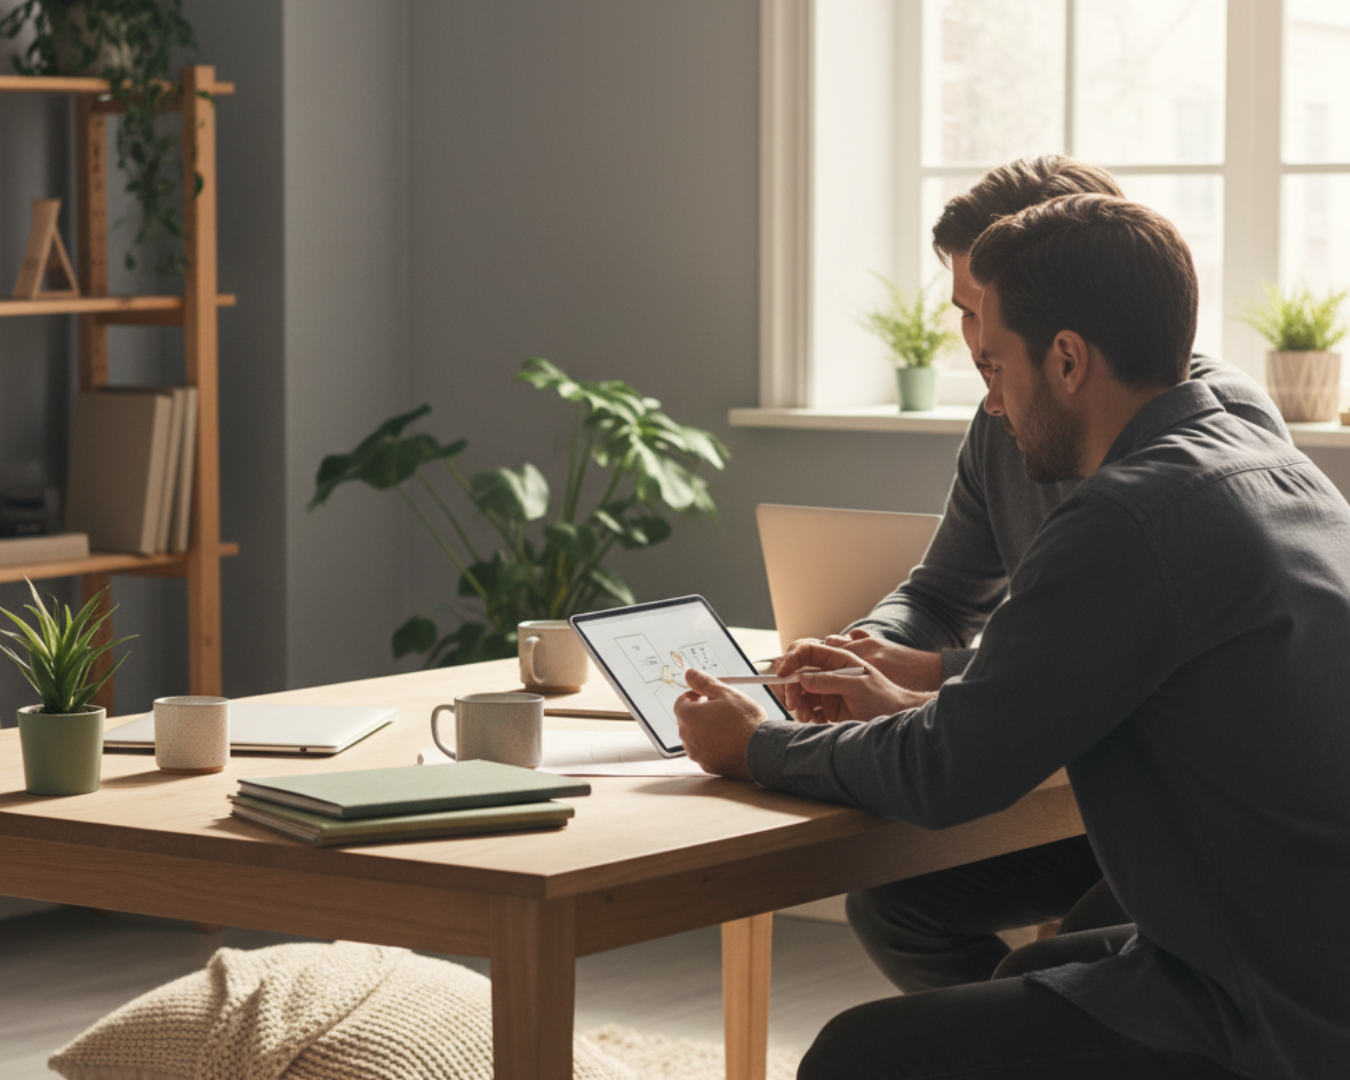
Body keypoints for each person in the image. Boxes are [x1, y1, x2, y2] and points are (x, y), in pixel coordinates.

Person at [675, 194, 1350, 1079]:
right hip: (1304, 932)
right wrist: (914, 699)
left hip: (1271, 1002)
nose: (991, 404)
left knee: (855, 1056)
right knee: (1037, 968)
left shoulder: (1123, 515)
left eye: (994, 366)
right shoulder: (1270, 466)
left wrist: (758, 746)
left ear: (1067, 359)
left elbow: (948, 771)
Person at [780, 156, 1290, 995]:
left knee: (1054, 974)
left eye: (986, 312)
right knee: (895, 905)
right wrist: (874, 646)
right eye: (965, 314)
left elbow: (1114, 652)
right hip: (1073, 765)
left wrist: (936, 681)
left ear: (1068, 325)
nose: (976, 345)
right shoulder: (1004, 416)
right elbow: (945, 595)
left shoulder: (1201, 441)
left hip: (1178, 802)